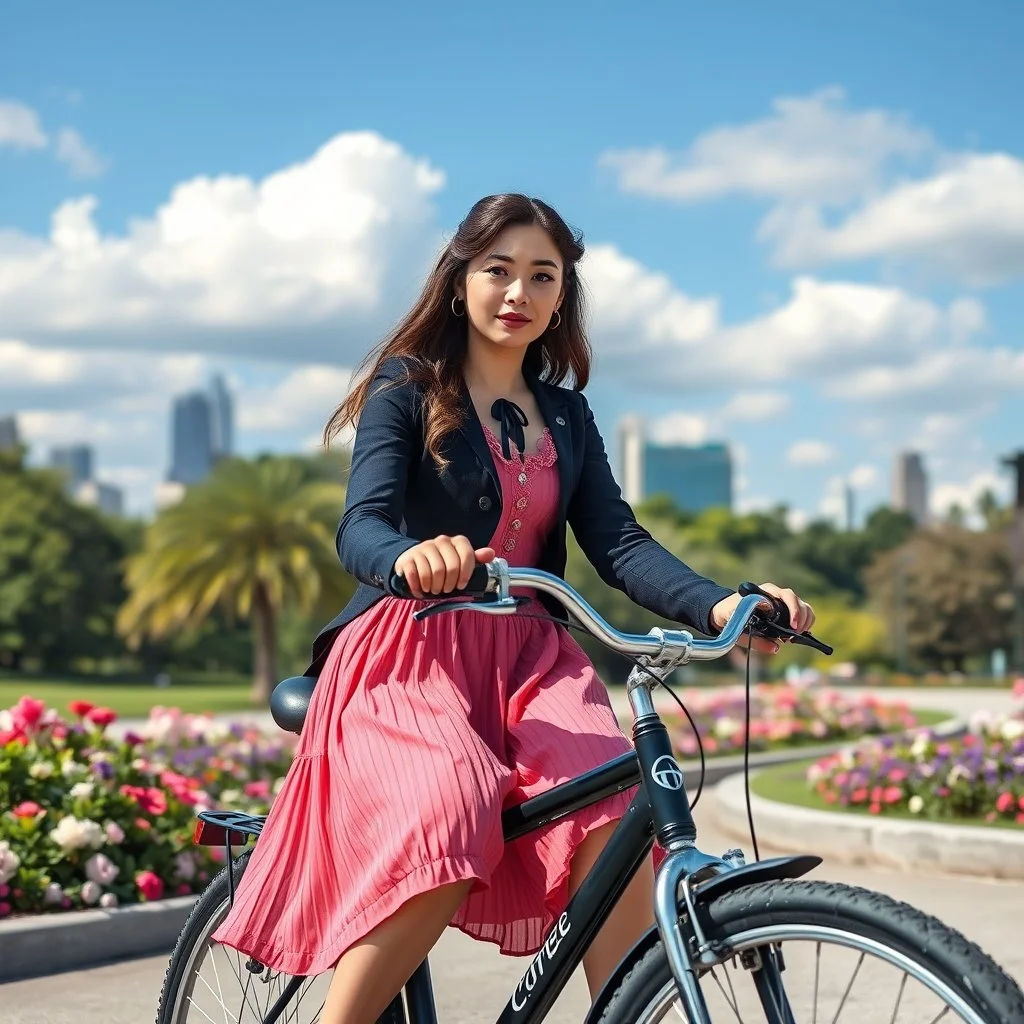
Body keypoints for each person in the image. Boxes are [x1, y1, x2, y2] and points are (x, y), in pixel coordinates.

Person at [212, 193, 815, 1024]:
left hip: (533, 657)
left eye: (543, 275)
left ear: (562, 294)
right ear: (460, 279)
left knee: (617, 798)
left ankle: (626, 1012)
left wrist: (721, 606)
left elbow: (620, 543)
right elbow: (361, 527)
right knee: (451, 803)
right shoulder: (408, 388)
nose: (517, 292)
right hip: (409, 649)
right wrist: (410, 560)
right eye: (499, 269)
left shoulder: (566, 414)